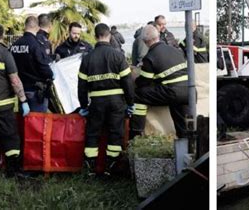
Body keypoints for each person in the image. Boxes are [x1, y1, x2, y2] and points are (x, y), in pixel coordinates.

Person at [78, 23, 134, 176]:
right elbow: (128, 82)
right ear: (109, 36)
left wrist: (83, 105)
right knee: (115, 133)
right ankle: (111, 168)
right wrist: (130, 103)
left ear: (95, 37)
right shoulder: (118, 56)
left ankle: (90, 169)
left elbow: (81, 86)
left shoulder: (87, 58)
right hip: (117, 103)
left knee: (93, 134)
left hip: (96, 103)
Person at [0, 23, 30, 177]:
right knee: (10, 137)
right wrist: (23, 100)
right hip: (3, 105)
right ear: (2, 35)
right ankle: (13, 171)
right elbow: (14, 80)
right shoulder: (4, 53)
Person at [130, 25, 189, 139]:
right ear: (158, 36)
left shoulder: (150, 57)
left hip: (172, 92)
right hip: (188, 91)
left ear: (145, 41)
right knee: (184, 126)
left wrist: (134, 77)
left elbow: (143, 83)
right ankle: (188, 147)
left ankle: (136, 133)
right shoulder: (175, 50)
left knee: (138, 94)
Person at [10, 16, 54, 112]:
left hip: (20, 90)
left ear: (25, 26)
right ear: (38, 27)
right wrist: (51, 74)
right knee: (37, 123)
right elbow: (44, 67)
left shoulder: (14, 45)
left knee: (24, 123)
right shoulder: (37, 45)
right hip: (36, 91)